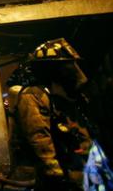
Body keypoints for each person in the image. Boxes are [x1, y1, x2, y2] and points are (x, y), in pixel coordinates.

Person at [8, 38, 91, 190]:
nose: (73, 71)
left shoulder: (62, 94)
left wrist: (87, 150)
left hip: (71, 165)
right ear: (50, 69)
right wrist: (53, 169)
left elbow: (77, 126)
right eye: (66, 66)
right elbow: (38, 135)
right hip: (47, 172)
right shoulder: (33, 95)